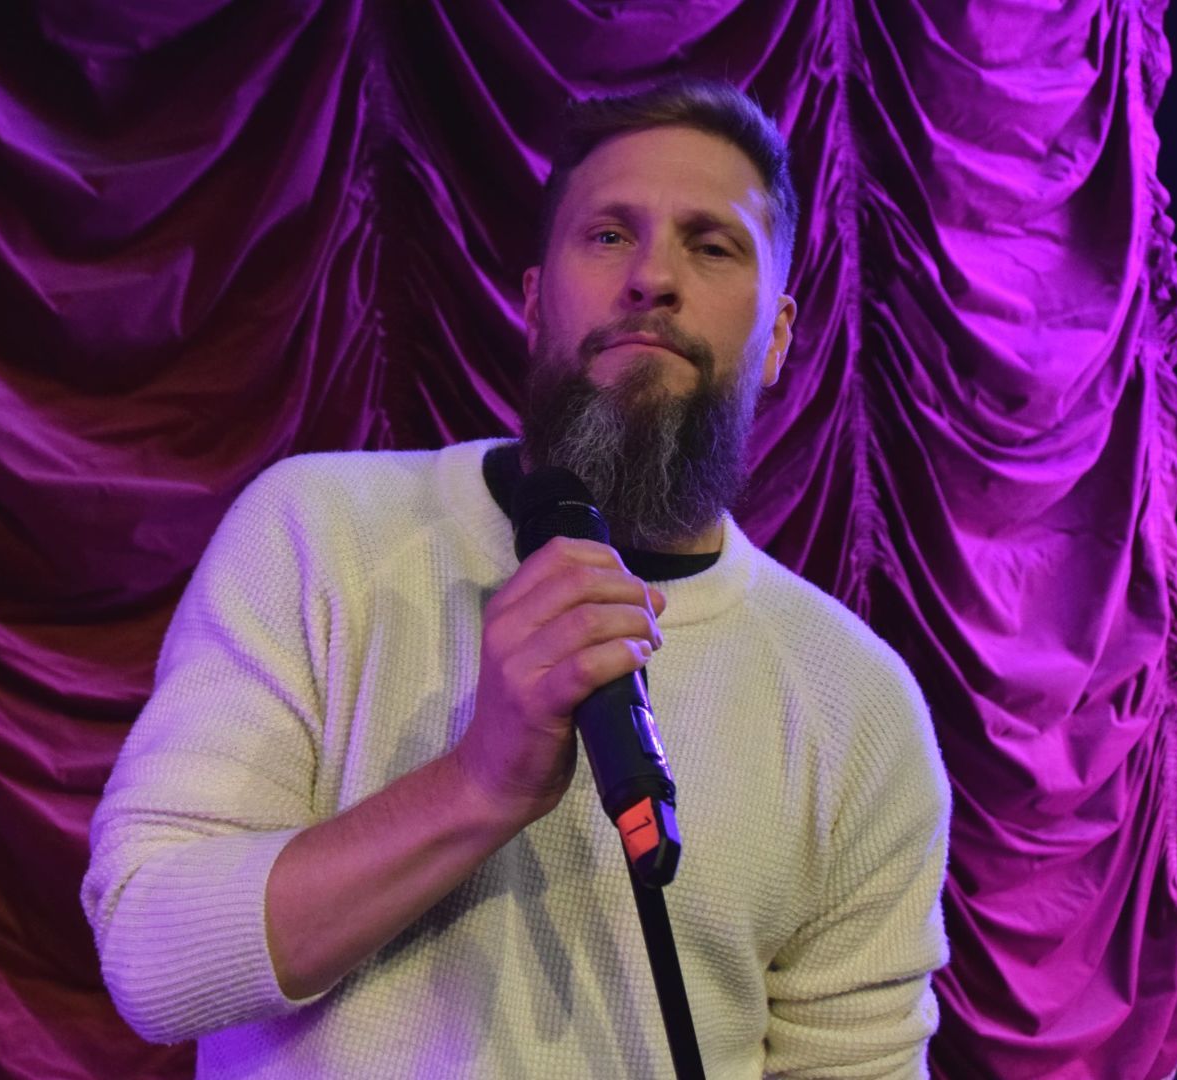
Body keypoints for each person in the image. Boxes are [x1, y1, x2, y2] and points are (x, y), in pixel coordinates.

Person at [81, 79, 950, 1079]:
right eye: (609, 235)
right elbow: (152, 961)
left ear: (780, 338)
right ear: (535, 303)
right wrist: (477, 785)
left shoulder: (858, 704)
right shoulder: (319, 531)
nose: (652, 278)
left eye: (712, 246)